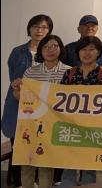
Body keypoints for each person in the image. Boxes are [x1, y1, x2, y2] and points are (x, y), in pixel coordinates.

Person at [12, 35, 70, 188]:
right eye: (45, 47)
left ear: (61, 49)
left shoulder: (69, 71)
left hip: (53, 125)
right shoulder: (31, 72)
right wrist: (16, 89)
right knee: (27, 163)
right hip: (30, 123)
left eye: (54, 46)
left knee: (46, 165)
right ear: (40, 51)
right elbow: (20, 98)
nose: (50, 50)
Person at [2, 14, 53, 188]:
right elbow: (13, 77)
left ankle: (38, 182)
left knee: (41, 144)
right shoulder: (18, 52)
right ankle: (18, 183)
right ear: (29, 29)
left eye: (44, 27)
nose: (39, 30)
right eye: (36, 26)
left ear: (49, 31)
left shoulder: (51, 51)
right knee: (19, 145)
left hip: (43, 106)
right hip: (18, 102)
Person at [60, 36, 102, 187]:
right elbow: (58, 99)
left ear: (99, 52)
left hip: (93, 130)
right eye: (83, 49)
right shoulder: (69, 74)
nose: (87, 53)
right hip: (71, 127)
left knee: (89, 168)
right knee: (68, 167)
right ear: (78, 52)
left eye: (91, 49)